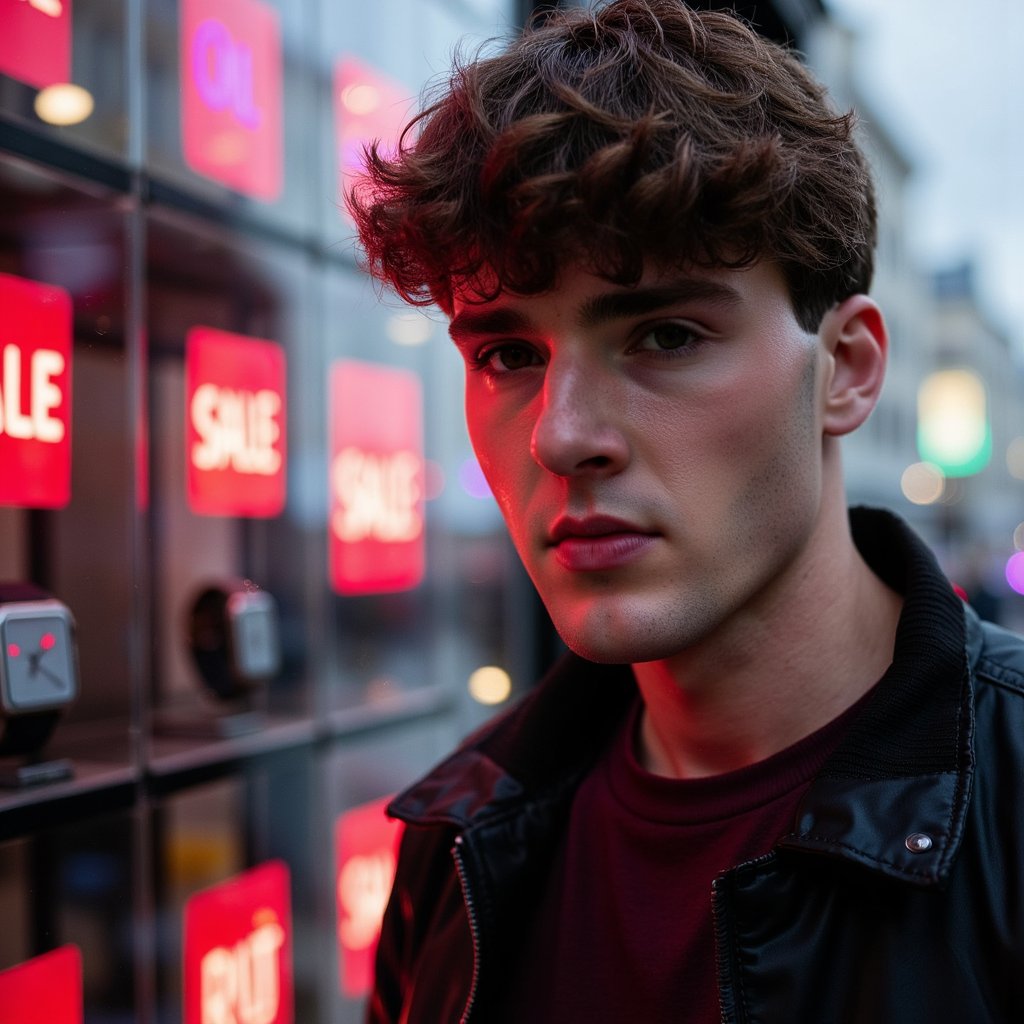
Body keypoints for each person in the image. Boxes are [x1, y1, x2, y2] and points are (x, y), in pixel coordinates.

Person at [348, 2, 1024, 1020]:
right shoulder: (454, 838)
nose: (561, 435)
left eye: (663, 335)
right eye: (507, 355)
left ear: (845, 369)